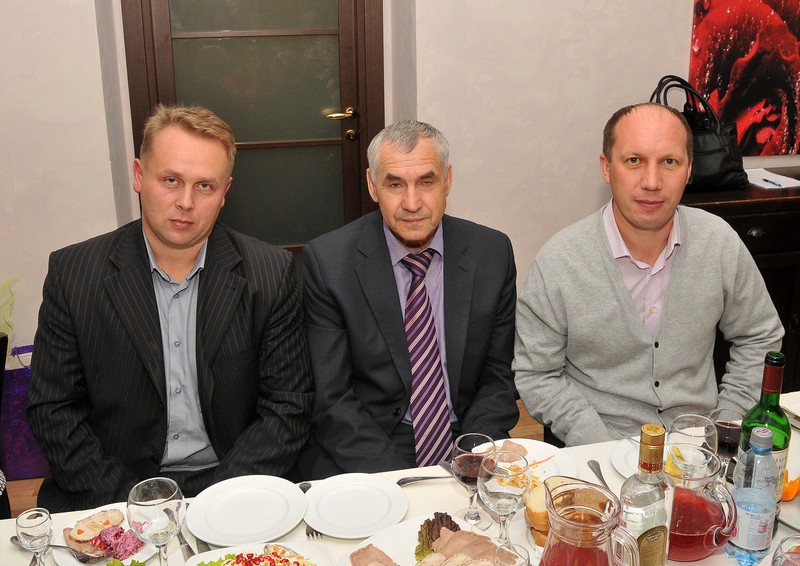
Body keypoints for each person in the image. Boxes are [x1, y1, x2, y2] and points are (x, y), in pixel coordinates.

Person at [27, 104, 314, 511]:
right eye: (171, 180)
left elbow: (288, 407)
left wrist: (219, 502)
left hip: (233, 480)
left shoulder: (270, 272)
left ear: (225, 192)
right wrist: (136, 506)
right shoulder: (74, 273)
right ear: (139, 176)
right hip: (114, 487)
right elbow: (54, 411)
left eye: (205, 186)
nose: (186, 202)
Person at [514, 102, 783, 447]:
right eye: (634, 161)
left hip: (699, 446)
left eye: (669, 162)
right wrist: (594, 439)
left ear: (689, 169)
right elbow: (537, 373)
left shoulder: (718, 242)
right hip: (599, 448)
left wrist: (726, 422)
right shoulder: (559, 261)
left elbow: (760, 335)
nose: (652, 182)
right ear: (607, 168)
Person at [296, 120, 518, 478]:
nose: (412, 204)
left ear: (448, 180)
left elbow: (498, 378)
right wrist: (407, 483)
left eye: (426, 182)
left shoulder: (492, 253)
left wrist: (471, 457)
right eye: (395, 184)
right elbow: (332, 399)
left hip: (465, 433)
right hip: (372, 441)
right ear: (372, 186)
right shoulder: (330, 262)